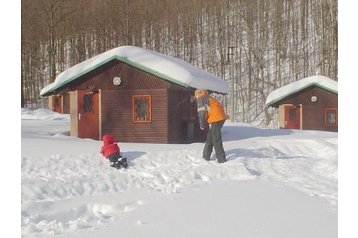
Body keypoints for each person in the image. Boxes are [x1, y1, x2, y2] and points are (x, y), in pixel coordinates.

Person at [194, 89, 227, 163]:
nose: (195, 98)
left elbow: (202, 113)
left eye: (195, 96)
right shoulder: (210, 98)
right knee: (210, 137)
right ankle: (206, 156)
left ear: (197, 94)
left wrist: (202, 125)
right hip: (221, 118)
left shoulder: (200, 99)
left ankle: (221, 160)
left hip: (216, 119)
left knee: (216, 139)